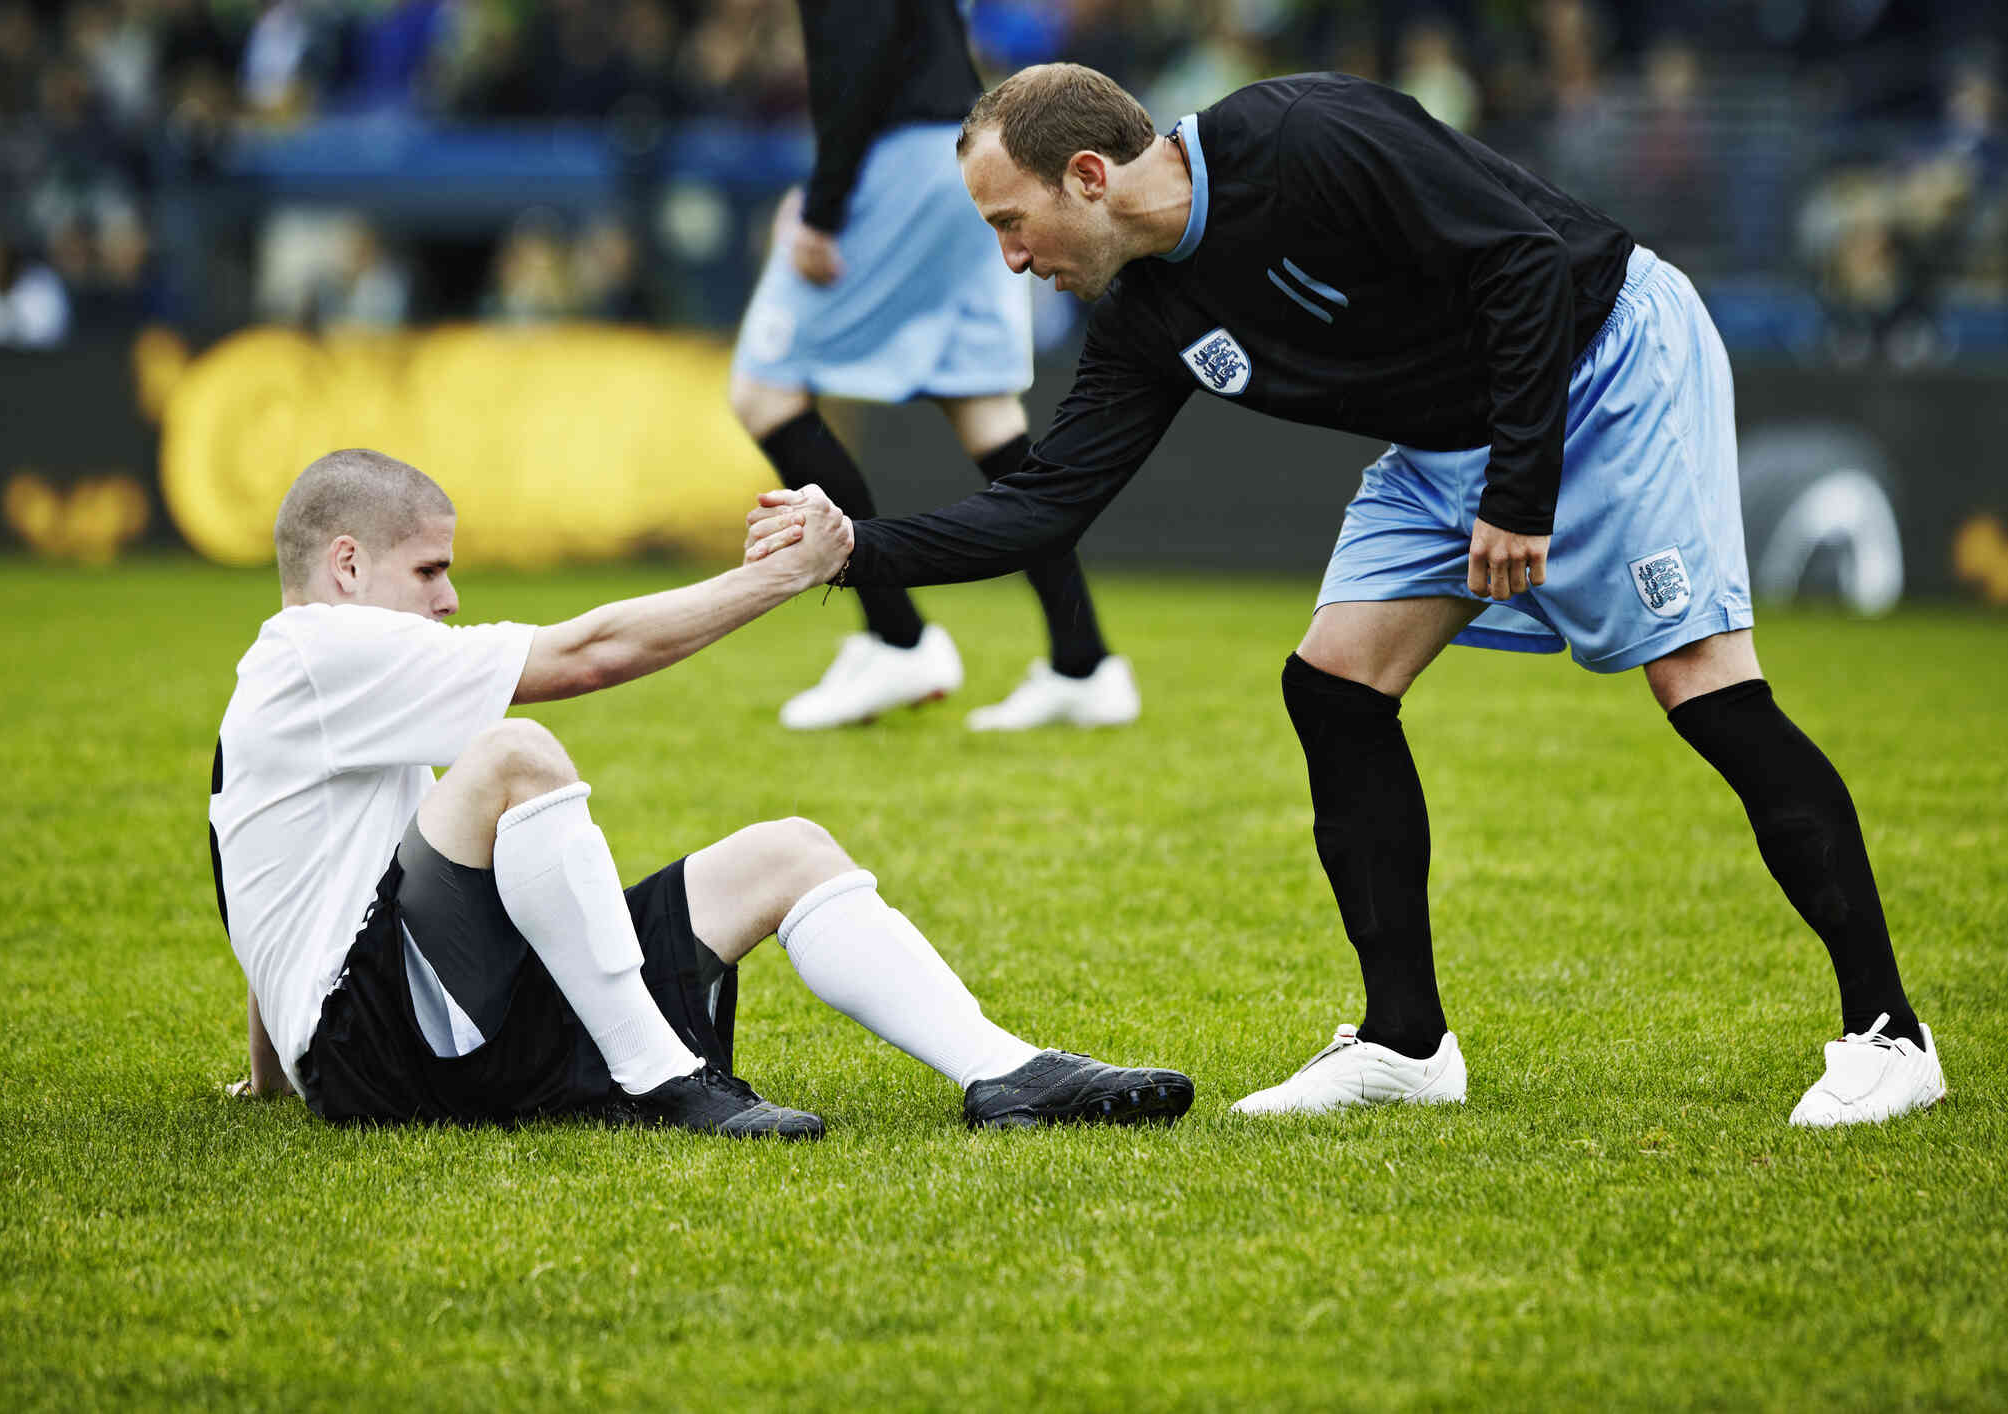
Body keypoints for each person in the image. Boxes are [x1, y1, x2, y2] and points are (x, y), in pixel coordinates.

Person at [747, 64, 1946, 1128]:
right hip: (1450, 439)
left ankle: (1891, 1034)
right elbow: (1044, 506)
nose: (1012, 259)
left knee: (1704, 689)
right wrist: (850, 549)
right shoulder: (1148, 319)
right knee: (1332, 685)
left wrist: (1522, 493)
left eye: (1013, 224)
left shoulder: (1302, 135)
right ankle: (1406, 1043)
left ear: (1091, 175)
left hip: (1605, 359)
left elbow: (1524, 261)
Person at [212, 448, 1194, 1137]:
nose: (449, 598)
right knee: (514, 756)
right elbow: (590, 653)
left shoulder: (295, 690)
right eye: (430, 569)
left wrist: (267, 1074)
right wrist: (782, 575)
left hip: (421, 1034)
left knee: (791, 851)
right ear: (346, 564)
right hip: (382, 1053)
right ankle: (666, 1079)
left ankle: (1002, 1070)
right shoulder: (315, 647)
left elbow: (268, 888)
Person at [728, 0, 1138, 732]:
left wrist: (822, 208)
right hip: (954, 158)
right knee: (984, 414)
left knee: (763, 392)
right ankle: (1084, 661)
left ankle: (897, 637)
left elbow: (863, 59)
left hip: (894, 162)